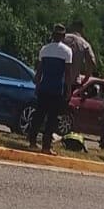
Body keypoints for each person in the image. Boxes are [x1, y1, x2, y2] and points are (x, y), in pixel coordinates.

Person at [29, 24, 73, 156]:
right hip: (56, 89)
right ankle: (46, 146)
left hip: (44, 87)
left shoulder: (45, 49)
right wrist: (69, 89)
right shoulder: (67, 51)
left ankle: (32, 141)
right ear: (63, 36)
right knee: (52, 119)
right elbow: (68, 73)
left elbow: (39, 71)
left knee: (38, 115)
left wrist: (37, 85)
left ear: (52, 35)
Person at [62, 20, 97, 89]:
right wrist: (85, 80)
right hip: (72, 83)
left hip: (56, 80)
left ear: (72, 27)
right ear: (82, 29)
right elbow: (92, 63)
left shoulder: (61, 38)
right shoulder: (84, 44)